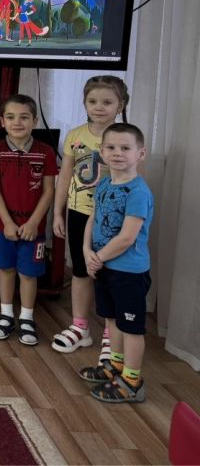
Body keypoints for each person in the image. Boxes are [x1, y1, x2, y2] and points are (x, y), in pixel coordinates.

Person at [52, 76, 130, 358]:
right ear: (84, 103)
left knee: (109, 274)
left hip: (112, 217)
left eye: (107, 102)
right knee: (81, 270)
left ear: (121, 105)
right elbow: (65, 176)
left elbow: (135, 181)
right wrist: (58, 212)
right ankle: (80, 327)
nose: (99, 107)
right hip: (78, 212)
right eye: (93, 101)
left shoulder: (126, 138)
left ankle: (110, 334)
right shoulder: (75, 135)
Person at [78, 123, 152, 404]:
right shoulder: (105, 183)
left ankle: (132, 382)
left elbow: (127, 237)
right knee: (112, 319)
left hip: (128, 272)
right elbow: (93, 218)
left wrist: (97, 258)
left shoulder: (138, 192)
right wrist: (86, 250)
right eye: (111, 147)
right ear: (101, 151)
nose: (117, 153)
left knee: (131, 327)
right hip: (104, 267)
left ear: (140, 153)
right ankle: (116, 366)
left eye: (125, 148)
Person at [0, 94, 57, 346]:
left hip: (32, 228)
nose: (17, 122)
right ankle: (6, 315)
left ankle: (26, 317)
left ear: (35, 121)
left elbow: (48, 191)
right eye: (11, 117)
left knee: (28, 273)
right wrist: (7, 222)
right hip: (3, 226)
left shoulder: (46, 152)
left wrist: (34, 223)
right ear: (2, 121)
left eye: (24, 117)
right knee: (6, 269)